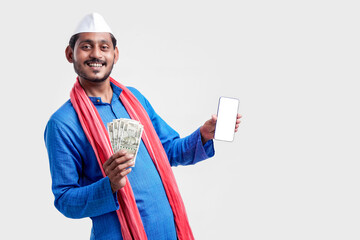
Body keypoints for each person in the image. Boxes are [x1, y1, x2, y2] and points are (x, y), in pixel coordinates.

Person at [44, 13, 241, 240]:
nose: (96, 54)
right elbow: (65, 200)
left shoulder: (135, 99)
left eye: (104, 47)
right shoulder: (62, 123)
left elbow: (169, 150)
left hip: (170, 232)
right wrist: (109, 185)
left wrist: (204, 136)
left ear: (115, 54)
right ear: (70, 54)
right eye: (86, 46)